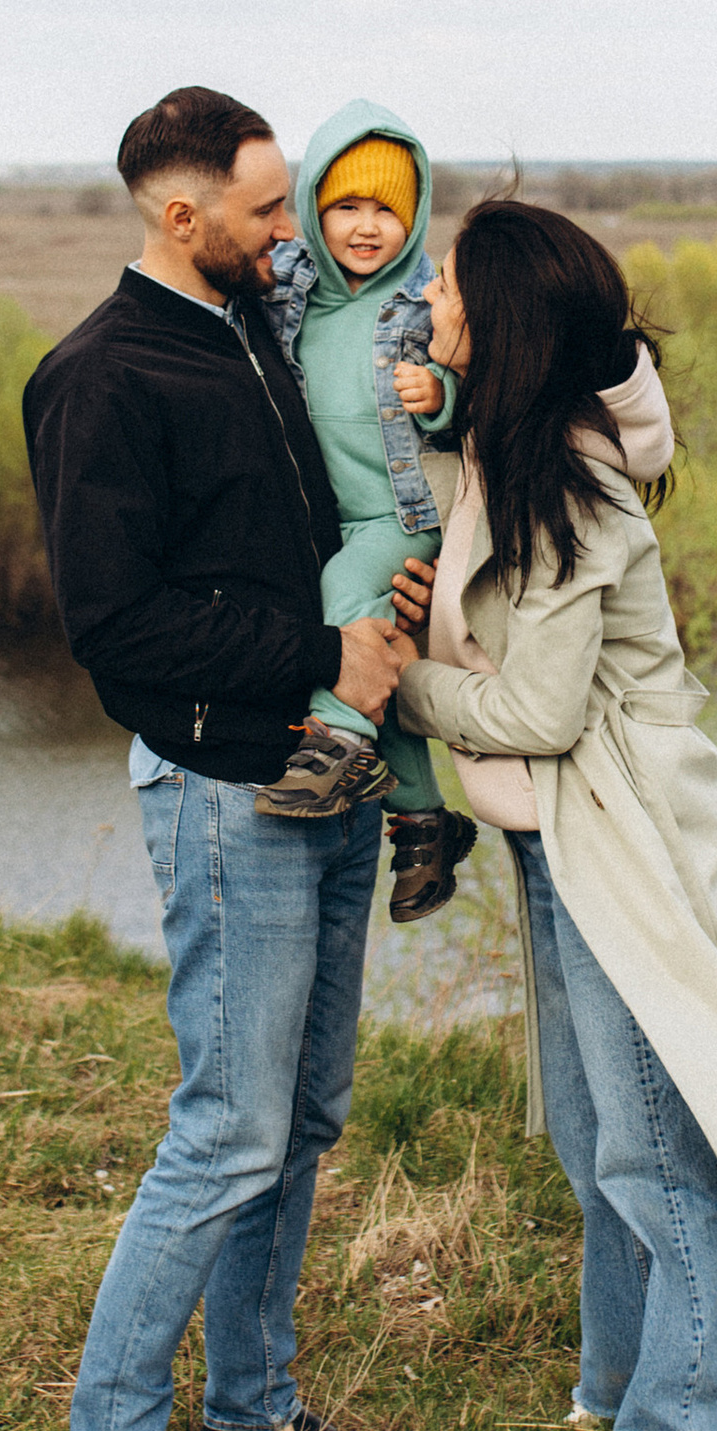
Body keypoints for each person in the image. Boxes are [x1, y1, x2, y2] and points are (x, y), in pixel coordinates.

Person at [19, 84, 418, 1431]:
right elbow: (115, 632)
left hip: (332, 774)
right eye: (263, 209)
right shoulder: (102, 379)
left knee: (302, 1116)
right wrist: (322, 656)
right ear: (181, 217)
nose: (288, 231)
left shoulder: (256, 326)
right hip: (224, 789)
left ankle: (252, 1404)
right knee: (229, 1126)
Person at [388, 200, 717, 1431]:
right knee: (588, 1134)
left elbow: (539, 712)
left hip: (613, 835)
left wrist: (405, 686)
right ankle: (617, 1383)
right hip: (552, 836)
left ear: (502, 317)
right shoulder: (507, 452)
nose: (431, 302)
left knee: (646, 1141)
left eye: (451, 285)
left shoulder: (570, 490)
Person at [252, 100, 479, 930]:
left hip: (402, 512)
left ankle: (331, 744)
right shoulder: (293, 295)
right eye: (346, 205)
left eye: (388, 208)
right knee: (374, 645)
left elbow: (485, 401)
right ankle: (424, 824)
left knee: (349, 594)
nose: (366, 226)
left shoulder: (430, 299)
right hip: (327, 514)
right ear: (314, 205)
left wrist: (442, 394)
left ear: (415, 214)